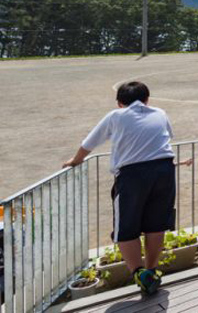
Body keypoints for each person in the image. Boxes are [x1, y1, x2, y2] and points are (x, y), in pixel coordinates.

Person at [63, 81, 177, 295]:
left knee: (126, 227)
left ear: (119, 103)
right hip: (164, 170)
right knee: (156, 224)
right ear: (147, 99)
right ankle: (152, 270)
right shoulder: (160, 112)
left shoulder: (116, 116)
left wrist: (75, 160)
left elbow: (88, 144)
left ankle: (140, 273)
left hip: (133, 174)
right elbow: (167, 137)